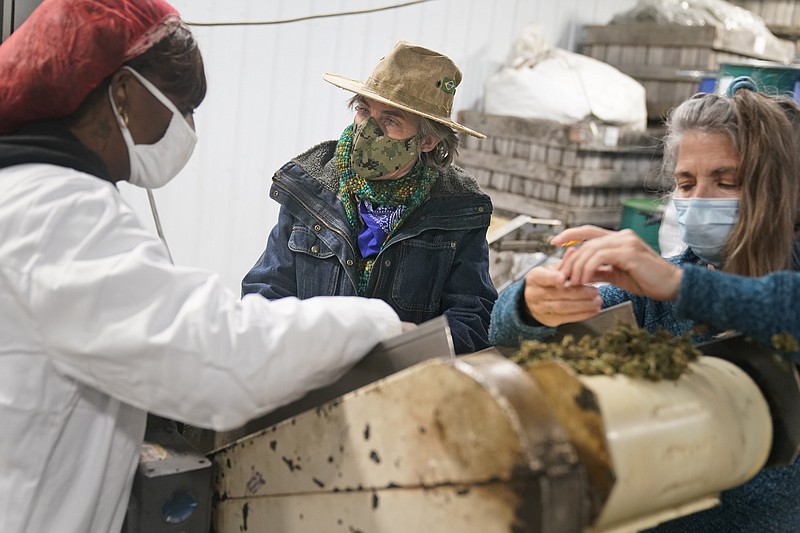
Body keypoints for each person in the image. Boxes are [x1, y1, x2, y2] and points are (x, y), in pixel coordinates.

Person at [0, 2, 404, 532]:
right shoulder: (57, 212)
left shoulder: (24, 188)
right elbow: (220, 358)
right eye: (181, 107)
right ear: (122, 93)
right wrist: (374, 321)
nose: (187, 128)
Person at [489, 83, 800, 531]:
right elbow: (503, 335)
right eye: (686, 183)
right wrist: (532, 306)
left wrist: (677, 284)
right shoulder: (658, 290)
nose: (699, 200)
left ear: (777, 190)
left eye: (727, 181)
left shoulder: (688, 284)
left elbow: (780, 307)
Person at [241, 41, 497, 355]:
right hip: (309, 373)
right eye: (363, 110)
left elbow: (473, 317)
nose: (367, 131)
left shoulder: (456, 210)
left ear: (427, 141)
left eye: (390, 121)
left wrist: (401, 351)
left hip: (400, 387)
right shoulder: (312, 188)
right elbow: (265, 292)